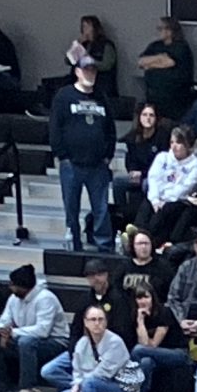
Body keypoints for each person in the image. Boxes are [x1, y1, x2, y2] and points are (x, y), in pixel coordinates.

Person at [48, 56, 116, 252]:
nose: (90, 74)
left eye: (93, 70)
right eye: (86, 70)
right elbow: (55, 127)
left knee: (101, 209)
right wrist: (62, 155)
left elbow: (110, 129)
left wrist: (108, 155)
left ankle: (105, 248)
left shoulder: (101, 97)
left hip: (98, 165)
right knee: (71, 209)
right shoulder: (64, 96)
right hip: (71, 164)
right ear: (77, 72)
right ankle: (74, 247)